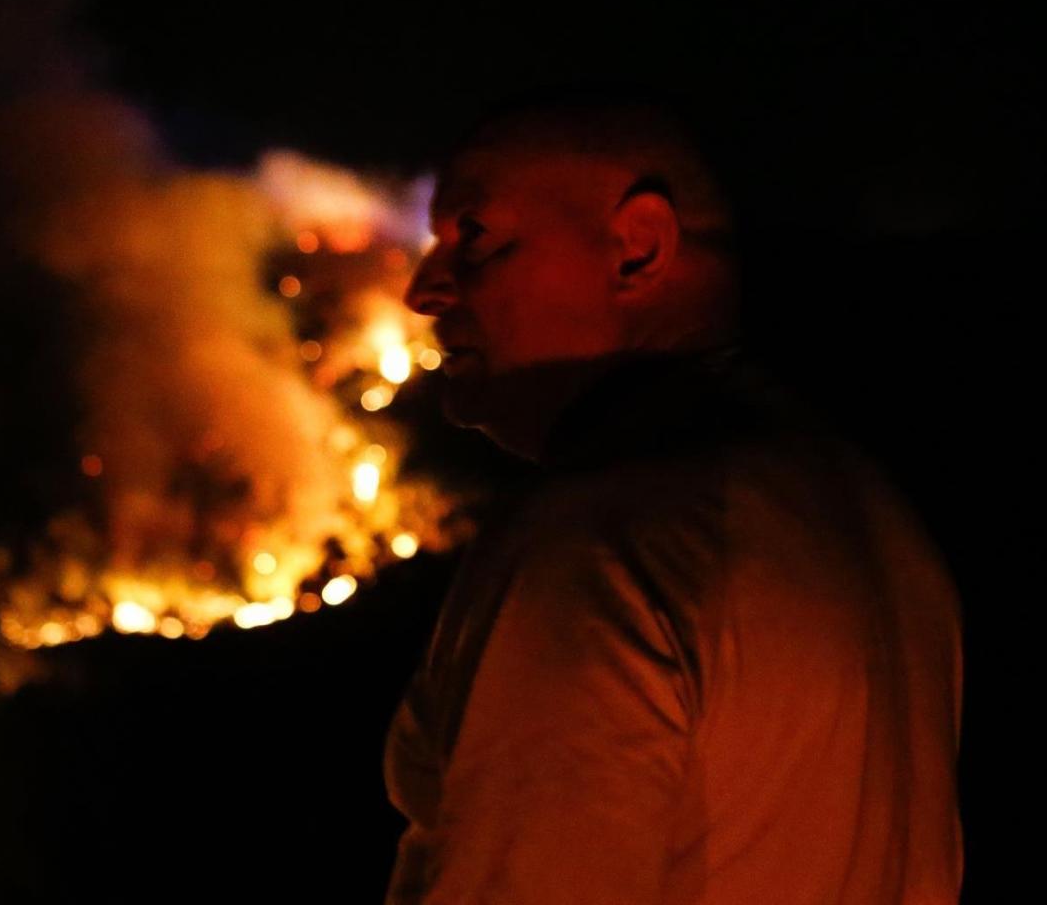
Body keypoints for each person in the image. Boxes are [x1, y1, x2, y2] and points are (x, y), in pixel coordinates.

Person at [383, 100, 963, 904]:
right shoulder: (880, 522)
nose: (425, 290)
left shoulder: (603, 539)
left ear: (636, 248)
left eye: (475, 236)